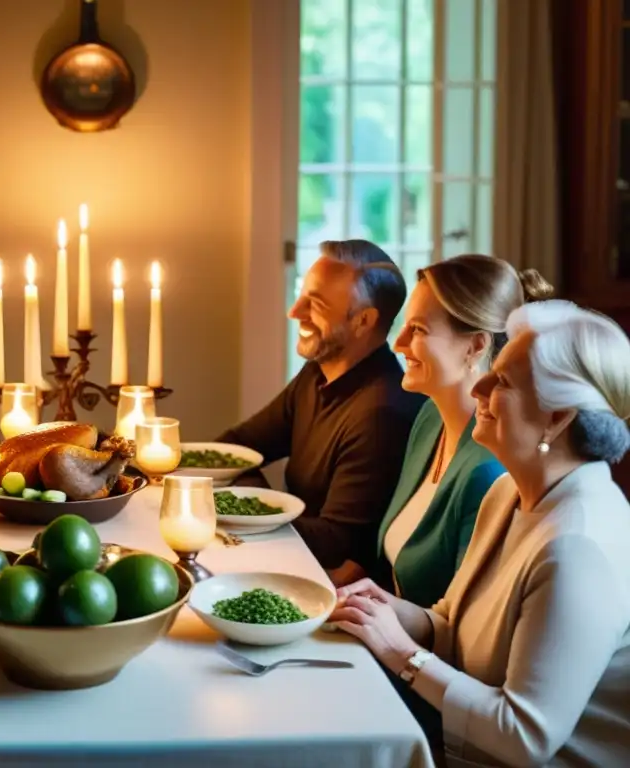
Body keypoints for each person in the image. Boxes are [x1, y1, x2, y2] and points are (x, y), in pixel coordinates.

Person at [331, 300, 630, 767]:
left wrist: (401, 652)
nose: (480, 386)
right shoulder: (509, 490)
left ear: (558, 417)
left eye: (503, 381)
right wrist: (382, 610)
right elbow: (455, 621)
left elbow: (524, 738)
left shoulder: (577, 550)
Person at [216, 240, 424, 579]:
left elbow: (337, 542)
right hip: (290, 557)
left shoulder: (381, 413)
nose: (294, 311)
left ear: (363, 321)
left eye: (315, 304)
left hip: (321, 586)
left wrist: (242, 503)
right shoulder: (318, 371)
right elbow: (241, 447)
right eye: (301, 294)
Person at [371, 256, 552, 607]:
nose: (398, 344)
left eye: (418, 330)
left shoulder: (488, 473)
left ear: (476, 346)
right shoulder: (429, 419)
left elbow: (460, 627)